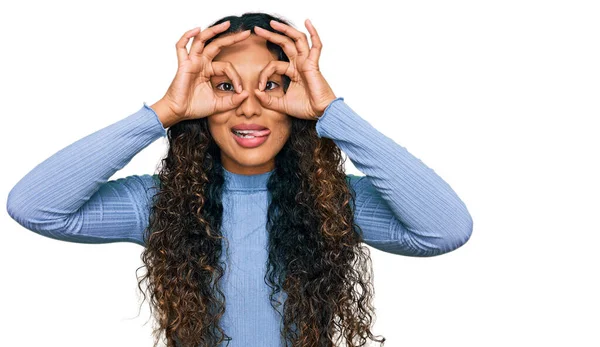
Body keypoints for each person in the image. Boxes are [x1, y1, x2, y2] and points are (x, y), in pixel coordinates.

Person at [6, 12, 473, 347]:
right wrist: (163, 112)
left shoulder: (334, 202)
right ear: (201, 102)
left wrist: (333, 112)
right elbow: (35, 206)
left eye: (271, 84)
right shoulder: (160, 203)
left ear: (297, 96)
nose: (249, 107)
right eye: (226, 86)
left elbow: (445, 230)